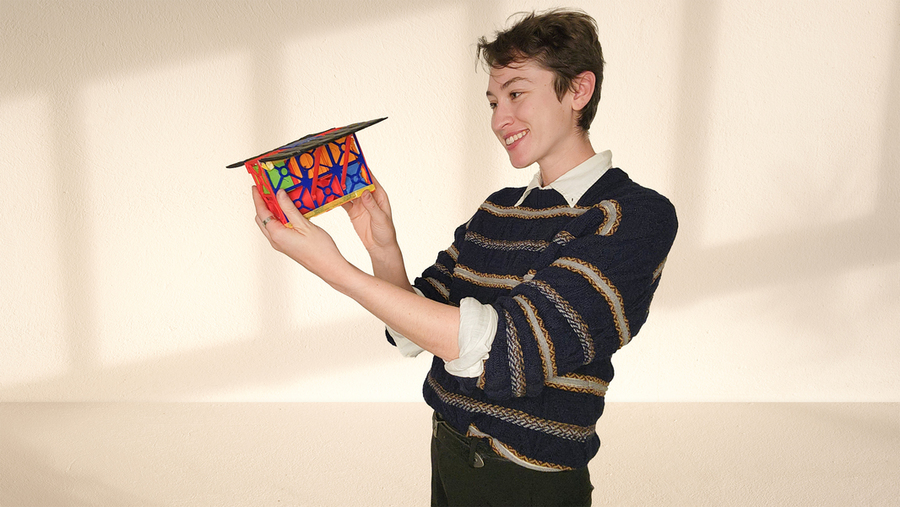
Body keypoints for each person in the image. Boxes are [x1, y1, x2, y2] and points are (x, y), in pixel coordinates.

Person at [252, 9, 677, 506]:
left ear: (579, 90)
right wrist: (380, 247)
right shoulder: (497, 209)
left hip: (529, 483)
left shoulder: (633, 216)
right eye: (494, 101)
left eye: (517, 93)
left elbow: (505, 350)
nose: (499, 119)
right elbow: (414, 329)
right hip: (448, 455)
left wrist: (336, 272)